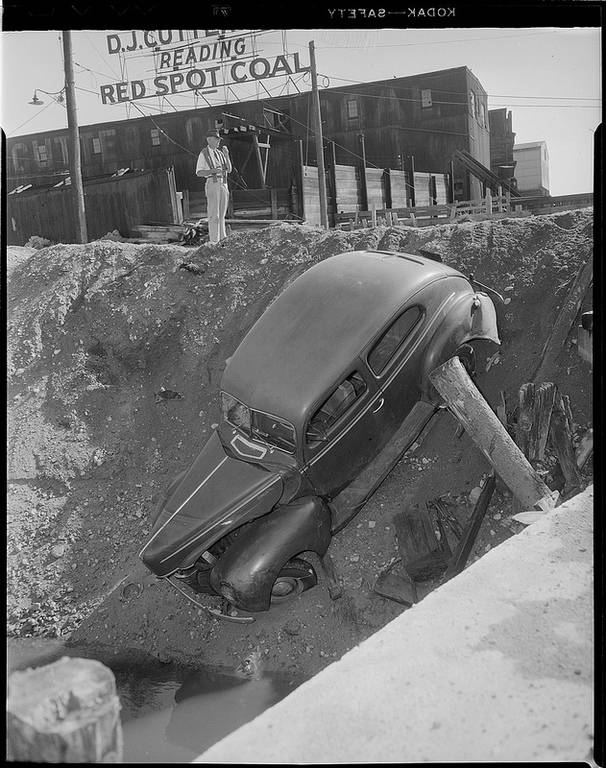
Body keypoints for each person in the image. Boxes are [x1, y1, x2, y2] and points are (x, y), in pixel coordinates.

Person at [195, 129, 232, 244]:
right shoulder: (204, 153)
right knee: (214, 214)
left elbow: (229, 169)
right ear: (209, 140)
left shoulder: (220, 154)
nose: (218, 142)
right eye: (216, 139)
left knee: (222, 214)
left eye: (219, 140)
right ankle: (214, 241)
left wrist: (227, 155)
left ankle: (222, 239)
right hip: (212, 182)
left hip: (223, 183)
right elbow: (199, 172)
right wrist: (212, 171)